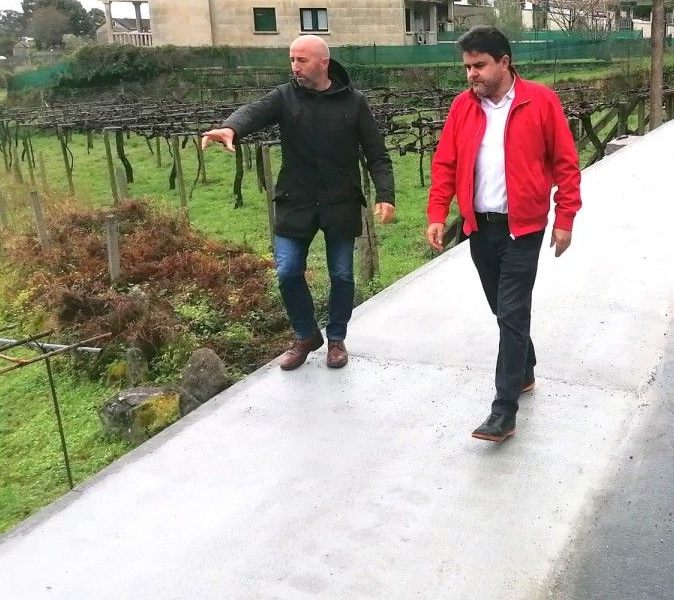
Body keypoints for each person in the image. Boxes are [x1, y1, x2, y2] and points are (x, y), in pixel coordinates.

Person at [425, 25, 582, 443]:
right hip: (480, 229)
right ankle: (525, 368)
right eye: (467, 67)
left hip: (523, 229)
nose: (471, 74)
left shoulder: (541, 102)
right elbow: (445, 163)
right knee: (502, 311)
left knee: (512, 314)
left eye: (479, 66)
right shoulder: (463, 107)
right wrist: (438, 212)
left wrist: (565, 217)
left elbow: (566, 163)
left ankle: (504, 410)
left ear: (504, 63)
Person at [201, 36, 394, 371]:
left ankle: (336, 338)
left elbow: (377, 154)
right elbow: (254, 112)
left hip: (339, 201)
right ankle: (306, 335)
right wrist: (231, 128)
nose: (294, 67)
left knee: (342, 275)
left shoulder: (354, 103)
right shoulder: (284, 96)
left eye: (301, 60)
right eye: (291, 59)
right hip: (296, 199)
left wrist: (386, 195)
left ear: (324, 62)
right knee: (288, 271)